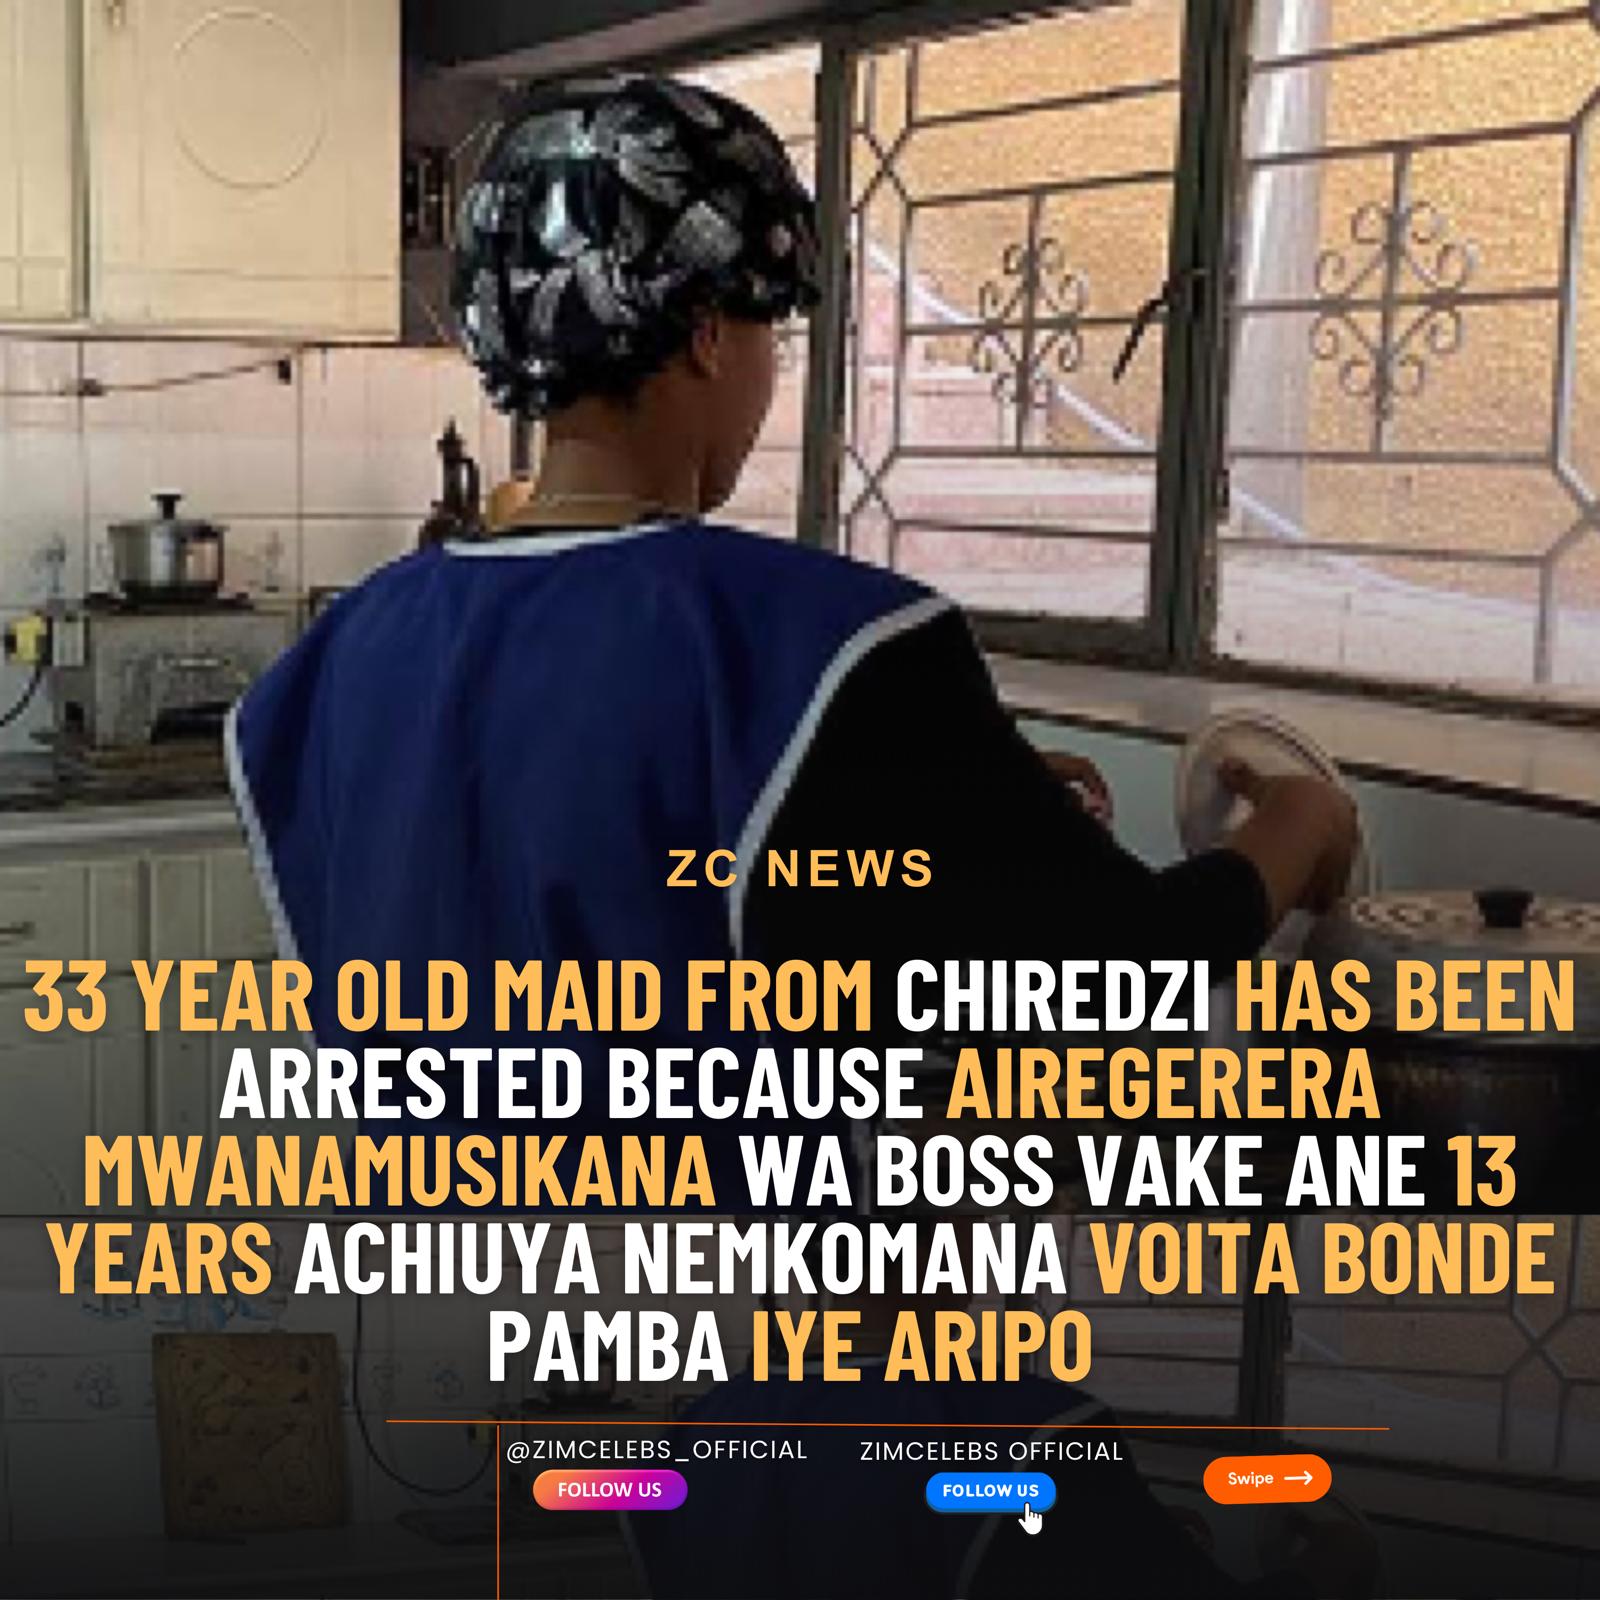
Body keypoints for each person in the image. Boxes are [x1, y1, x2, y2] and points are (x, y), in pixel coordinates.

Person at [224, 74, 1363, 1595]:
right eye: (770, 334)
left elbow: (613, 882)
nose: (767, 375)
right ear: (707, 332)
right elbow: (1129, 966)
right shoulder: (814, 639)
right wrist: (1298, 825)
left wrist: (949, 822)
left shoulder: (338, 660)